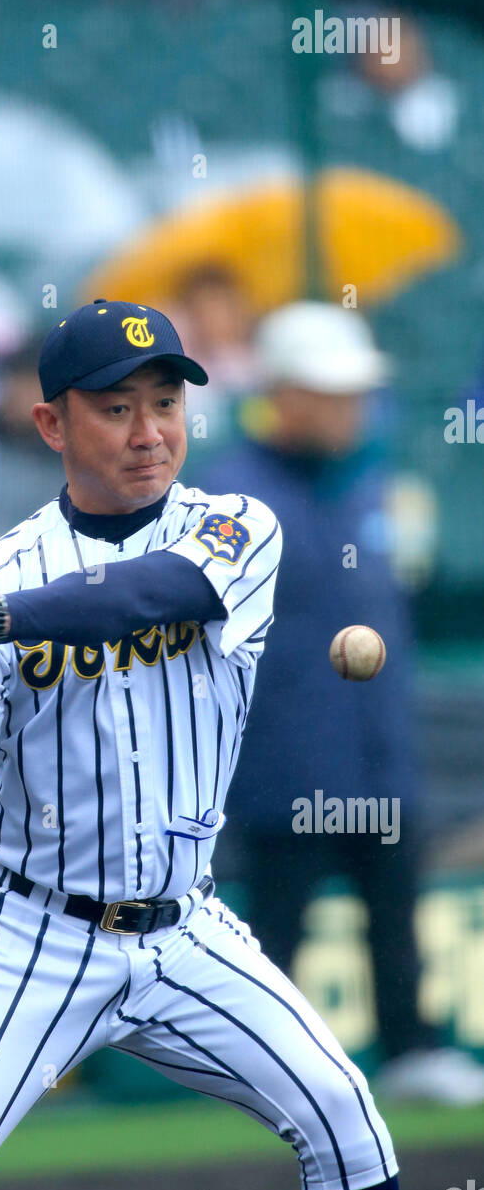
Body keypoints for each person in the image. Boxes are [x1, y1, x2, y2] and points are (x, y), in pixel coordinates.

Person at [0, 299, 399, 1190]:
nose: (149, 432)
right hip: (24, 934)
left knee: (347, 1126)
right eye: (116, 407)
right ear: (52, 422)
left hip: (186, 930)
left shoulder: (237, 526)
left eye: (165, 402)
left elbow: (149, 594)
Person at [203, 300, 484, 1105]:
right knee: (276, 932)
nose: (349, 408)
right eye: (330, 391)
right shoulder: (232, 495)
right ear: (283, 393)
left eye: (356, 392)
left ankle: (413, 1051)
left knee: (397, 921)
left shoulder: (376, 487)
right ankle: (258, 1068)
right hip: (284, 764)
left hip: (380, 757)